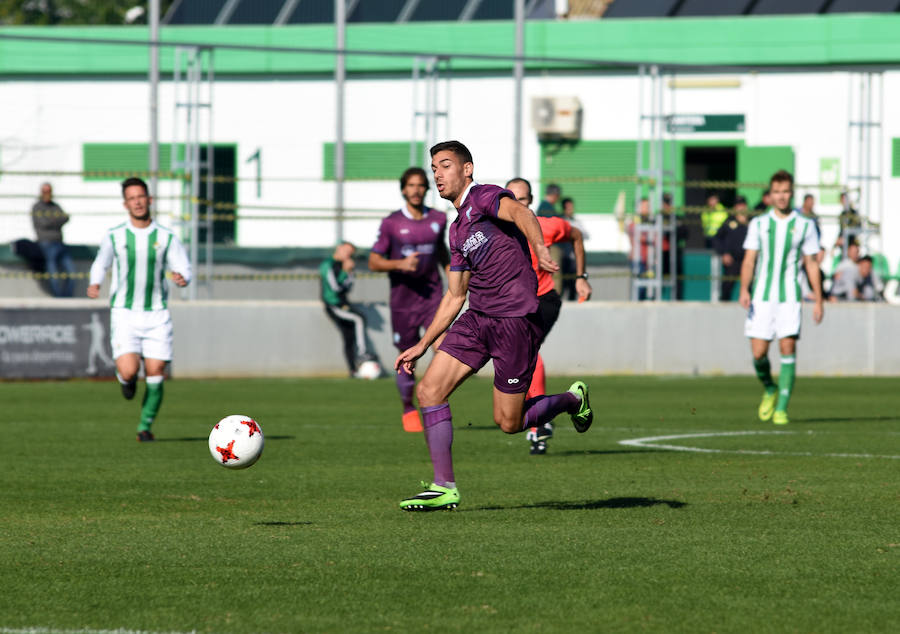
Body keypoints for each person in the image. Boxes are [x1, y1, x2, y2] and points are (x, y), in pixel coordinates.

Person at [394, 141, 593, 511]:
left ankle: (572, 399)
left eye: (445, 165)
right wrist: (423, 345)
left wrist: (542, 248)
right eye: (434, 167)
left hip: (515, 322)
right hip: (477, 320)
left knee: (509, 423)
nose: (437, 173)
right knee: (429, 391)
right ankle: (444, 488)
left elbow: (521, 214)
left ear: (467, 169)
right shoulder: (455, 232)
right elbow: (455, 296)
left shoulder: (483, 196)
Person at [87, 177, 191, 442]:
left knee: (156, 371)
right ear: (126, 204)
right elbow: (101, 262)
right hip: (125, 312)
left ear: (149, 199)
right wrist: (94, 282)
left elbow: (184, 265)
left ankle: (145, 427)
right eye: (132, 198)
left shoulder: (166, 237)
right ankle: (126, 381)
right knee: (130, 370)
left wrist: (183, 277)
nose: (138, 202)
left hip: (156, 313)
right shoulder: (115, 235)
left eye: (141, 196)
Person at [506, 178, 591, 455]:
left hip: (543, 300)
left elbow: (576, 236)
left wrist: (581, 277)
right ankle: (543, 419)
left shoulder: (546, 225)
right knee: (520, 356)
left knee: (527, 350)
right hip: (512, 304)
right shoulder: (497, 230)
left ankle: (540, 422)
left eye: (523, 199)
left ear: (530, 201)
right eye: (512, 198)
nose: (519, 204)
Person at [739, 169, 824, 426]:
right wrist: (744, 289)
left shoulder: (805, 225)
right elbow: (749, 259)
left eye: (786, 191)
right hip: (762, 298)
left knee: (788, 347)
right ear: (770, 195)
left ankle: (782, 409)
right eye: (777, 192)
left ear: (792, 192)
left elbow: (811, 264)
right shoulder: (759, 224)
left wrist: (818, 299)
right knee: (758, 354)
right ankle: (769, 388)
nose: (781, 196)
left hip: (789, 298)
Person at [368, 167, 449, 432]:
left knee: (445, 350)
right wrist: (400, 264)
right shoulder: (391, 223)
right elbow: (373, 261)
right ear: (403, 189)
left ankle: (435, 402)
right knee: (406, 358)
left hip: (433, 296)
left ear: (427, 189)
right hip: (403, 301)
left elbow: (443, 256)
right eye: (410, 186)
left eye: (420, 185)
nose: (416, 190)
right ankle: (408, 407)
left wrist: (459, 284)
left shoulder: (438, 219)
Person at [320, 241, 372, 378]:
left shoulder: (346, 266)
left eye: (351, 253)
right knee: (359, 319)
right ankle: (362, 354)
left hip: (344, 304)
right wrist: (345, 271)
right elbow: (335, 288)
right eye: (346, 250)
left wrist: (349, 272)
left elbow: (348, 287)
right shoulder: (328, 265)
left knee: (349, 336)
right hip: (334, 305)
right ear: (339, 248)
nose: (348, 255)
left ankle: (353, 371)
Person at [32, 182, 76, 297]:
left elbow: (65, 217)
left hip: (60, 243)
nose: (47, 194)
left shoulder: (55, 206)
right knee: (53, 271)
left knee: (71, 271)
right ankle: (58, 296)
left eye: (49, 191)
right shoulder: (37, 207)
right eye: (45, 192)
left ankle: (67, 297)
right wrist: (56, 220)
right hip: (46, 244)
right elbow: (43, 223)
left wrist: (52, 220)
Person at [713, 196, 749, 301]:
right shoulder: (729, 221)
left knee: (750, 285)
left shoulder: (752, 221)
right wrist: (724, 253)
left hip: (748, 259)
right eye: (738, 205)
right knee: (727, 286)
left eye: (742, 205)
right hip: (732, 260)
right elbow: (717, 238)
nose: (741, 208)